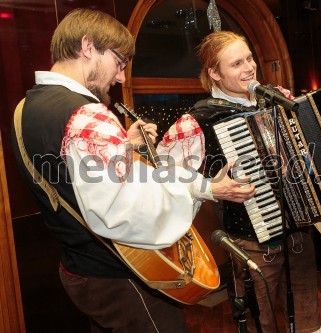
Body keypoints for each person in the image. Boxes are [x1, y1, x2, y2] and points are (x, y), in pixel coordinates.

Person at [11, 9, 255, 332]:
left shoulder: (25, 108)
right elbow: (130, 210)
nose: (122, 77)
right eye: (120, 62)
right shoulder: (88, 116)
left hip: (78, 271)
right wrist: (205, 189)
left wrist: (122, 146)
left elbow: (70, 177)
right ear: (88, 47)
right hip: (119, 276)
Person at [157, 31, 321, 333]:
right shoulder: (199, 120)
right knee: (260, 322)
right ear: (214, 73)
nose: (249, 67)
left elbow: (314, 126)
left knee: (308, 317)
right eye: (236, 64)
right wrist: (211, 189)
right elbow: (163, 173)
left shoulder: (277, 98)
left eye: (249, 58)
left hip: (299, 229)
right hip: (251, 241)